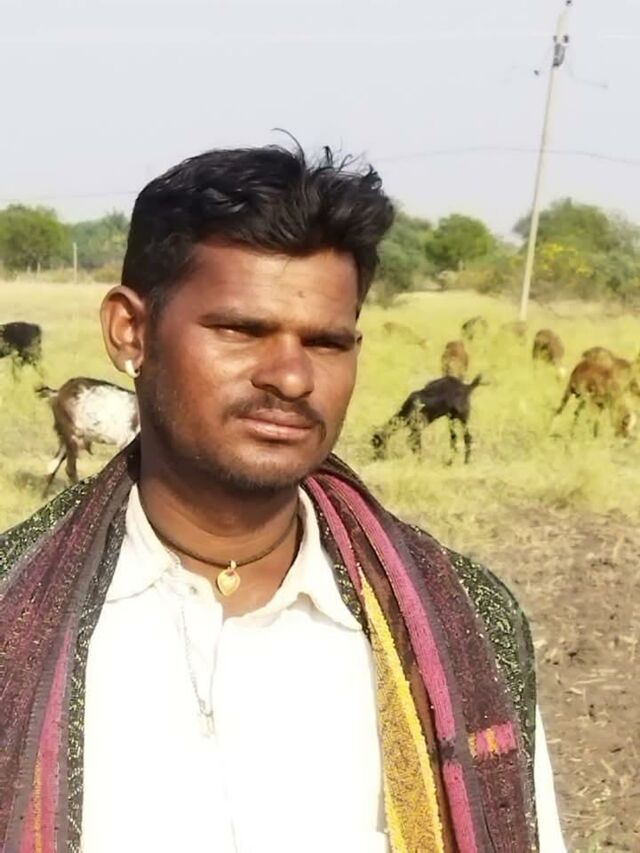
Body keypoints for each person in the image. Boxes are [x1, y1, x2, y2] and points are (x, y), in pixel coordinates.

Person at [0, 144, 565, 852]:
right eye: (242, 330)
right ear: (130, 332)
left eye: (327, 342)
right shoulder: (14, 617)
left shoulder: (463, 626)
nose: (292, 378)